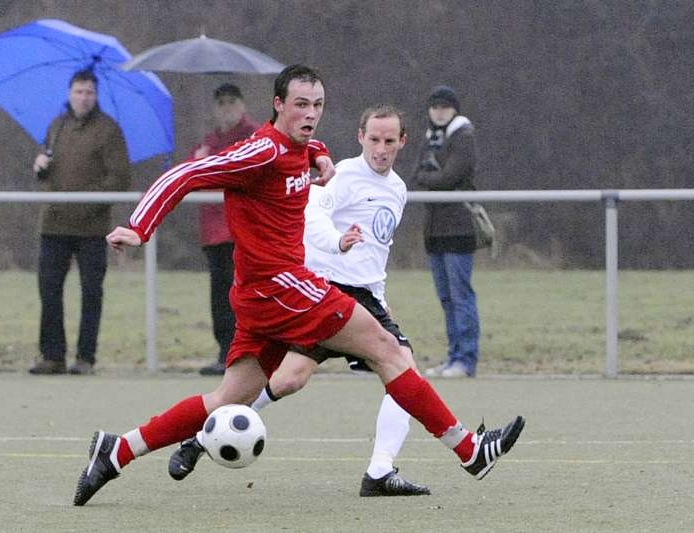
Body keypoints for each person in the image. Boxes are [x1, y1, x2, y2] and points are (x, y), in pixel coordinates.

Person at [73, 65, 524, 507]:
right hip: (282, 288)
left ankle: (118, 450)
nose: (310, 114)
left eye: (318, 105)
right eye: (301, 105)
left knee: (228, 398)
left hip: (264, 295)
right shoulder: (261, 152)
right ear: (277, 105)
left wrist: (320, 152)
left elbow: (302, 149)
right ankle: (470, 451)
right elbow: (185, 174)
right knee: (387, 348)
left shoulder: (296, 146)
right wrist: (139, 227)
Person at [172, 103, 430, 497]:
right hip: (326, 294)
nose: (381, 148)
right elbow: (312, 211)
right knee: (303, 378)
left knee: (324, 376)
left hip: (363, 298)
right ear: (361, 137)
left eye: (389, 141)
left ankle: (380, 470)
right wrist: (332, 246)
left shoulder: (397, 189)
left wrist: (380, 298)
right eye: (374, 139)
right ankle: (202, 438)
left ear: (402, 142)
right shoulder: (343, 176)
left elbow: (375, 252)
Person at [28, 69, 131, 376]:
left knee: (91, 292)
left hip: (92, 228)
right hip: (54, 224)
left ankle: (85, 357)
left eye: (89, 92)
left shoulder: (109, 130)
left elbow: (120, 179)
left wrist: (86, 202)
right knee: (49, 289)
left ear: (96, 95)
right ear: (69, 93)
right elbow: (47, 174)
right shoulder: (56, 127)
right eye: (78, 91)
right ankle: (52, 355)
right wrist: (40, 168)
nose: (83, 97)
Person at [409, 85, 480, 379]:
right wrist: (432, 175)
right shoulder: (430, 138)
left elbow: (449, 177)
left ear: (454, 109)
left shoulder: (463, 137)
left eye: (444, 107)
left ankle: (466, 358)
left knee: (461, 295)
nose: (439, 112)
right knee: (446, 297)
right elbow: (417, 175)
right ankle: (453, 356)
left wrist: (432, 175)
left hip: (458, 228)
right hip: (434, 230)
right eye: (434, 107)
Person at [191, 84, 260, 376]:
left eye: (232, 102)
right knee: (220, 294)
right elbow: (193, 176)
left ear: (242, 106)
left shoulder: (255, 137)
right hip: (215, 232)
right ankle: (225, 351)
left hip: (246, 231)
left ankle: (252, 353)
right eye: (221, 103)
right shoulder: (207, 143)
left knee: (248, 295)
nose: (227, 108)